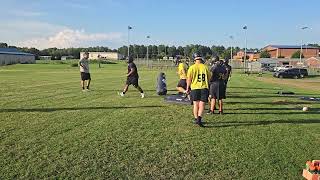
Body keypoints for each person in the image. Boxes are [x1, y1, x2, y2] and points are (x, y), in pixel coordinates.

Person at [186, 53, 210, 127]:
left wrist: (187, 88)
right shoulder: (205, 67)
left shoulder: (192, 67)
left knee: (196, 104)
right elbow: (209, 78)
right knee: (202, 104)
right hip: (204, 87)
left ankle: (196, 119)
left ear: (194, 59)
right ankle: (199, 119)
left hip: (195, 88)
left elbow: (189, 79)